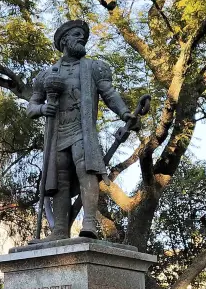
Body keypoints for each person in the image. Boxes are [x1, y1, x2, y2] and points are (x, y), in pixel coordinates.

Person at [27, 20, 133, 239]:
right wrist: (44, 108)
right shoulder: (47, 75)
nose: (82, 38)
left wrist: (125, 114)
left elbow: (109, 94)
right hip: (57, 134)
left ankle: (90, 225)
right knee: (60, 180)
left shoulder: (93, 68)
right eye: (76, 35)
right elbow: (31, 108)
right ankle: (59, 230)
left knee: (86, 171)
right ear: (65, 40)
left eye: (83, 36)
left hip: (82, 130)